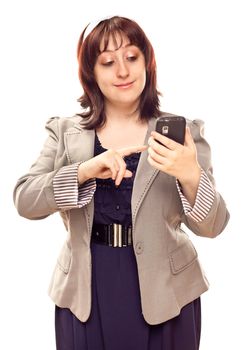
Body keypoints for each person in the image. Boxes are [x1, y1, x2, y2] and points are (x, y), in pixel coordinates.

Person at [13, 15, 229, 350]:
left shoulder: (182, 132)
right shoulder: (65, 132)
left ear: (147, 62)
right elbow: (25, 200)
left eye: (131, 57)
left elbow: (213, 226)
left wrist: (190, 174)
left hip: (167, 293)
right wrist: (83, 171)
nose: (122, 71)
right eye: (108, 62)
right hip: (87, 289)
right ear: (91, 73)